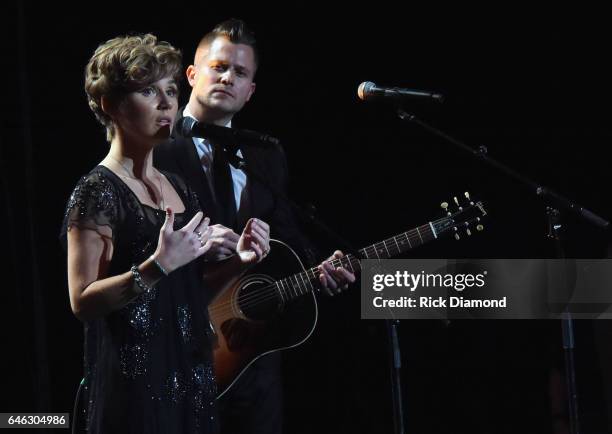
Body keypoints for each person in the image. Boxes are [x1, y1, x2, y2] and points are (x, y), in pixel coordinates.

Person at [154, 19, 355, 434]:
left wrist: (319, 266)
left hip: (251, 351)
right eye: (219, 67)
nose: (228, 77)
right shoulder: (152, 143)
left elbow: (289, 236)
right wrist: (197, 243)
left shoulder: (266, 154)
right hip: (175, 341)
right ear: (192, 75)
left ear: (250, 92)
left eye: (240, 73)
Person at [62, 33, 270, 434]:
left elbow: (187, 295)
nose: (166, 103)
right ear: (112, 106)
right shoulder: (97, 190)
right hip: (134, 385)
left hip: (190, 376)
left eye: (171, 90)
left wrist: (236, 265)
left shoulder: (180, 188)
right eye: (148, 91)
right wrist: (156, 266)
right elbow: (83, 302)